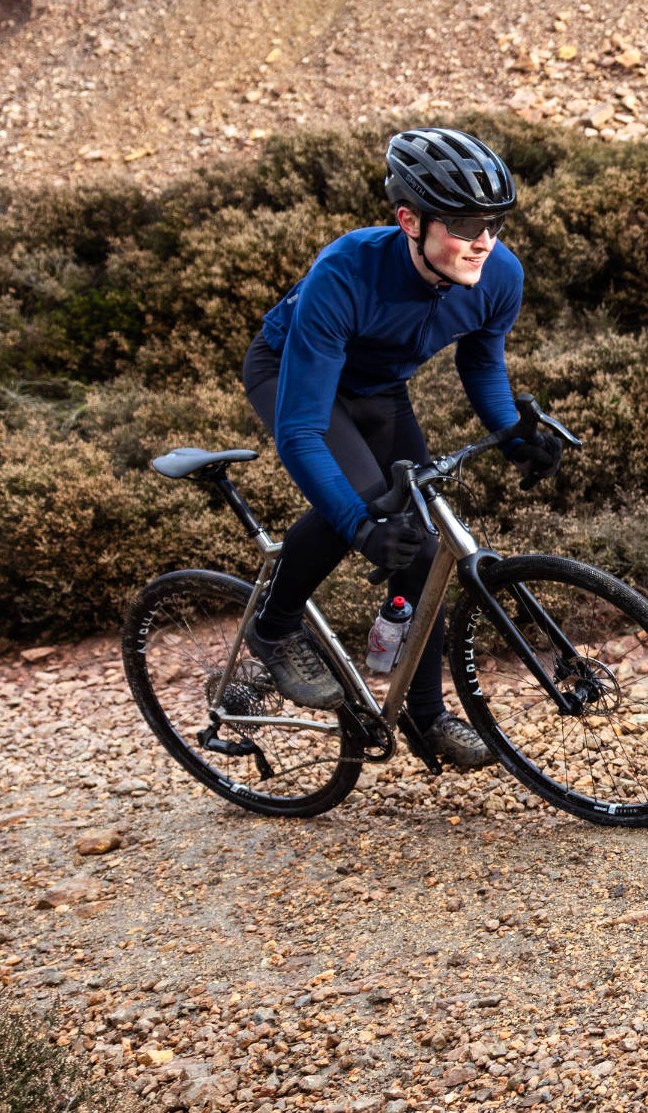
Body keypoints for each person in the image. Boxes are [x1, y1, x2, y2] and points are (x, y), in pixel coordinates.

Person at [239, 128, 566, 769]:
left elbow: (481, 362)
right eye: (466, 223)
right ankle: (274, 628)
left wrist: (514, 433)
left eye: (494, 223)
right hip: (294, 375)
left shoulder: (498, 274)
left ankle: (425, 717)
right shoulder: (346, 273)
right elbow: (301, 430)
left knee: (420, 545)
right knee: (367, 507)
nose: (483, 241)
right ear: (408, 219)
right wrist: (362, 526)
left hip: (380, 389)